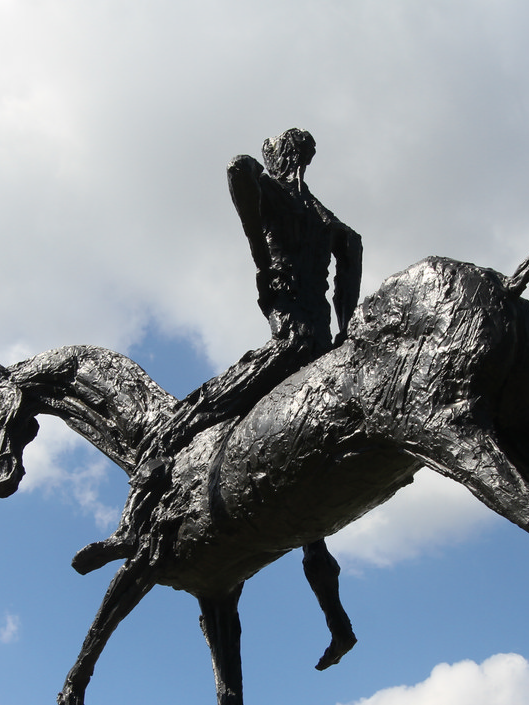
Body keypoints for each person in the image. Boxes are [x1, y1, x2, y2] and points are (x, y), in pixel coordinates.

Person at [74, 128, 362, 666]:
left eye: (274, 154)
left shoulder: (278, 195)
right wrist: (345, 330)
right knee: (310, 523)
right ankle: (338, 623)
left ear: (280, 157)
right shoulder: (330, 223)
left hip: (287, 346)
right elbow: (354, 250)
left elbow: (237, 167)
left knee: (180, 422)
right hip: (320, 347)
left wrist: (259, 250)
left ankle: (127, 533)